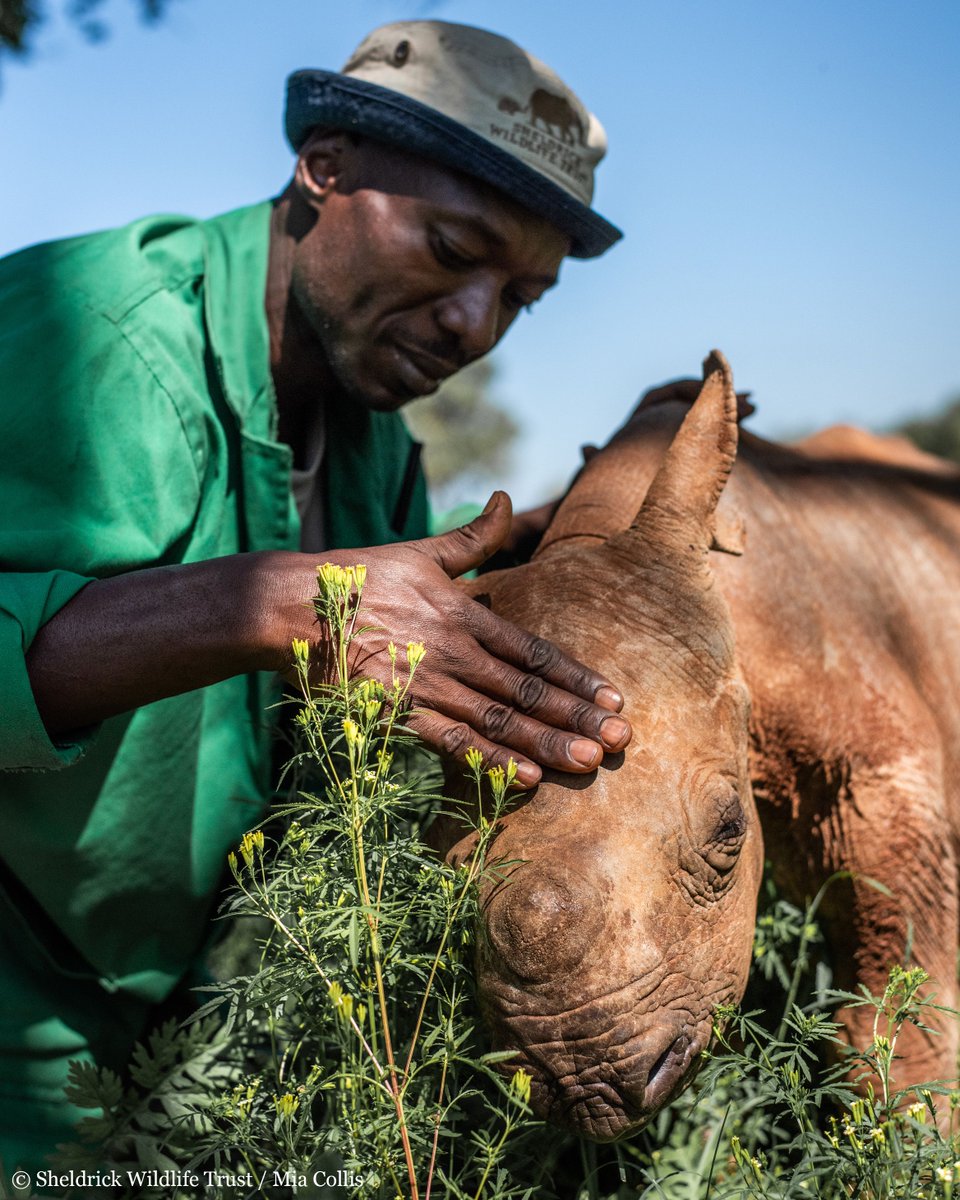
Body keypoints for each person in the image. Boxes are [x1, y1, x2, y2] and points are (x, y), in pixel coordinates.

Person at [0, 19, 631, 1172]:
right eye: (452, 248)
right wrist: (288, 606)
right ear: (324, 167)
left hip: (169, 1035)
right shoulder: (91, 342)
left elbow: (360, 673)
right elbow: (312, 614)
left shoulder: (371, 444)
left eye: (521, 297)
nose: (475, 324)